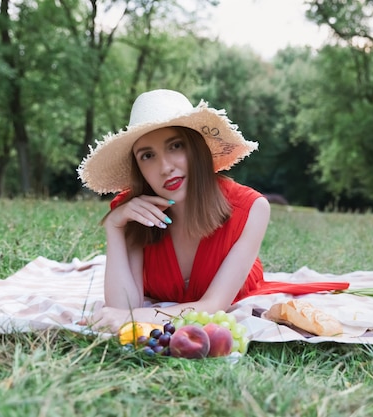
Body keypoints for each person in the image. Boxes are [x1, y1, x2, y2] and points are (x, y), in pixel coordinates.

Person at [78, 88, 348, 333]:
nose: (165, 167)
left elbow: (213, 306)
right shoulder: (133, 211)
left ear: (197, 149)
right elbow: (121, 306)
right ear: (139, 167)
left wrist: (135, 319)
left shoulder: (251, 209)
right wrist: (114, 228)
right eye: (148, 156)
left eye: (176, 146)